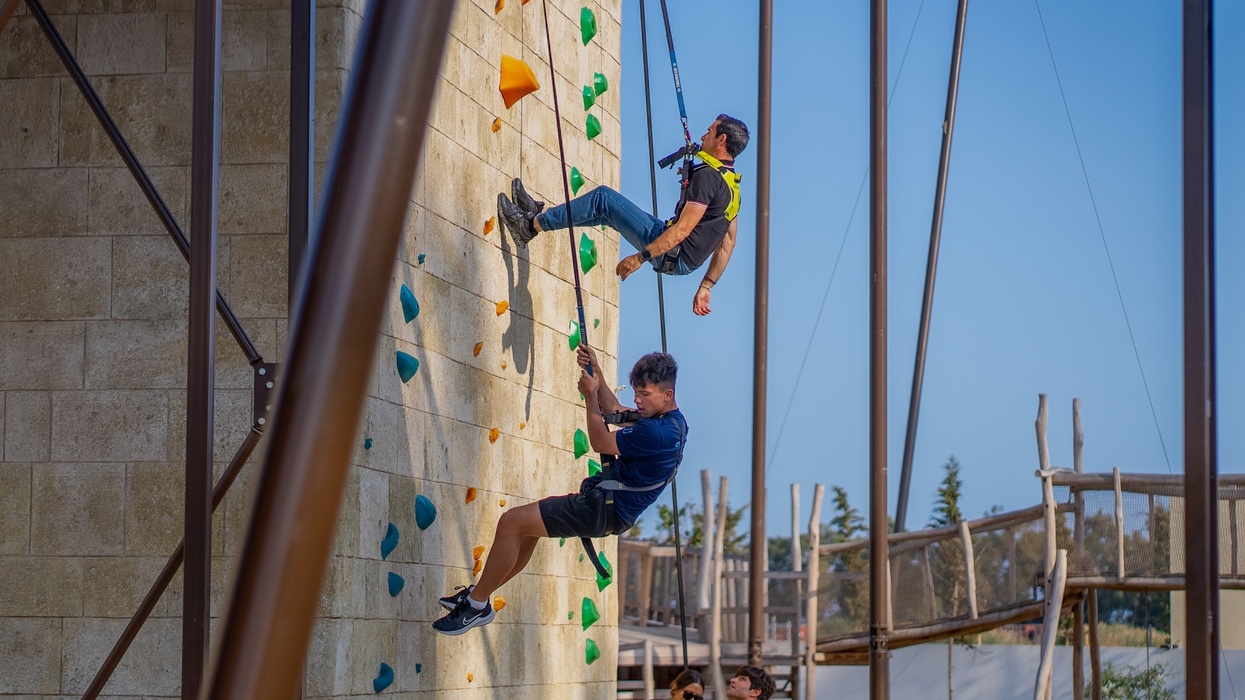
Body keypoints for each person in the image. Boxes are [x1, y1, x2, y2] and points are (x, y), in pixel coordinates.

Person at [432, 348, 688, 635]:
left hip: (603, 508)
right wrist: (597, 371)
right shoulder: (673, 422)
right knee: (524, 532)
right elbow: (615, 410)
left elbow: (601, 442)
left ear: (667, 395)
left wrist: (590, 395)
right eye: (637, 393)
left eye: (646, 395)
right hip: (608, 509)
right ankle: (477, 597)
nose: (638, 401)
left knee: (511, 522)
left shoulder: (656, 433)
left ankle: (476, 606)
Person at [497, 115, 750, 316]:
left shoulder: (708, 177)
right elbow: (728, 243)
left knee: (603, 199)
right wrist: (706, 286)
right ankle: (537, 219)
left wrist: (641, 257)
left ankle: (528, 227)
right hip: (682, 259)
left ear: (721, 139)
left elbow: (683, 229)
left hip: (672, 251)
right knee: (605, 212)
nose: (703, 135)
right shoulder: (732, 185)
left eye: (709, 131)